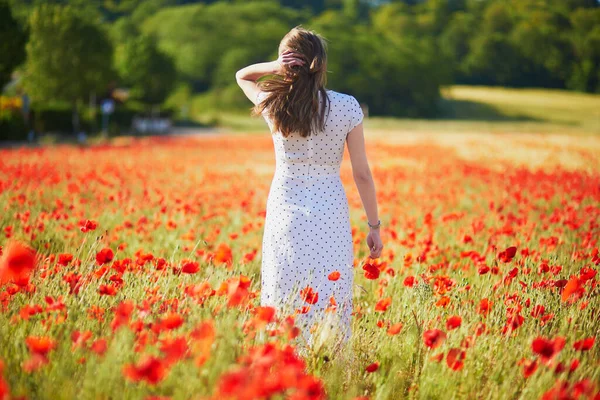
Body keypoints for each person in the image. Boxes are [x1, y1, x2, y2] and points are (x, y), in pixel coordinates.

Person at [235, 26, 383, 360]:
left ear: (288, 61)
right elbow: (361, 173)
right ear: (321, 62)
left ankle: (282, 364)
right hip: (329, 208)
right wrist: (374, 226)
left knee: (283, 286)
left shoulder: (273, 103)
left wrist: (277, 65)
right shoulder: (346, 107)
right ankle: (328, 362)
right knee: (329, 288)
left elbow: (242, 75)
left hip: (286, 206)